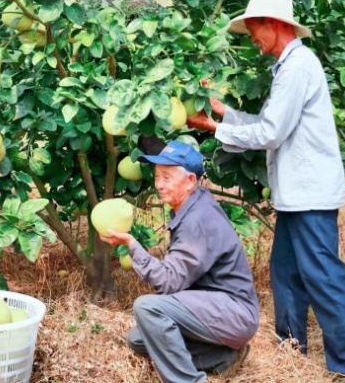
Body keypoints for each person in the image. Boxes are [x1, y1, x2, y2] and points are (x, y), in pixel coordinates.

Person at [186, 0, 345, 382]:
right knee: (285, 272)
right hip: (296, 195)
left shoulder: (299, 66)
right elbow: (264, 122)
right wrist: (224, 112)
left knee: (322, 275)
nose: (253, 38)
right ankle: (290, 350)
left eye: (255, 30)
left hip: (310, 194)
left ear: (277, 25)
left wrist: (214, 128)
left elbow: (270, 132)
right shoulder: (286, 67)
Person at [100, 141, 259, 383]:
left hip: (233, 313)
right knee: (140, 339)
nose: (159, 185)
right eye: (156, 176)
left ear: (190, 181)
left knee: (147, 308)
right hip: (215, 307)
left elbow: (169, 282)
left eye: (167, 177)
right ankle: (222, 356)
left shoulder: (198, 220)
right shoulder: (191, 204)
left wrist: (133, 245)